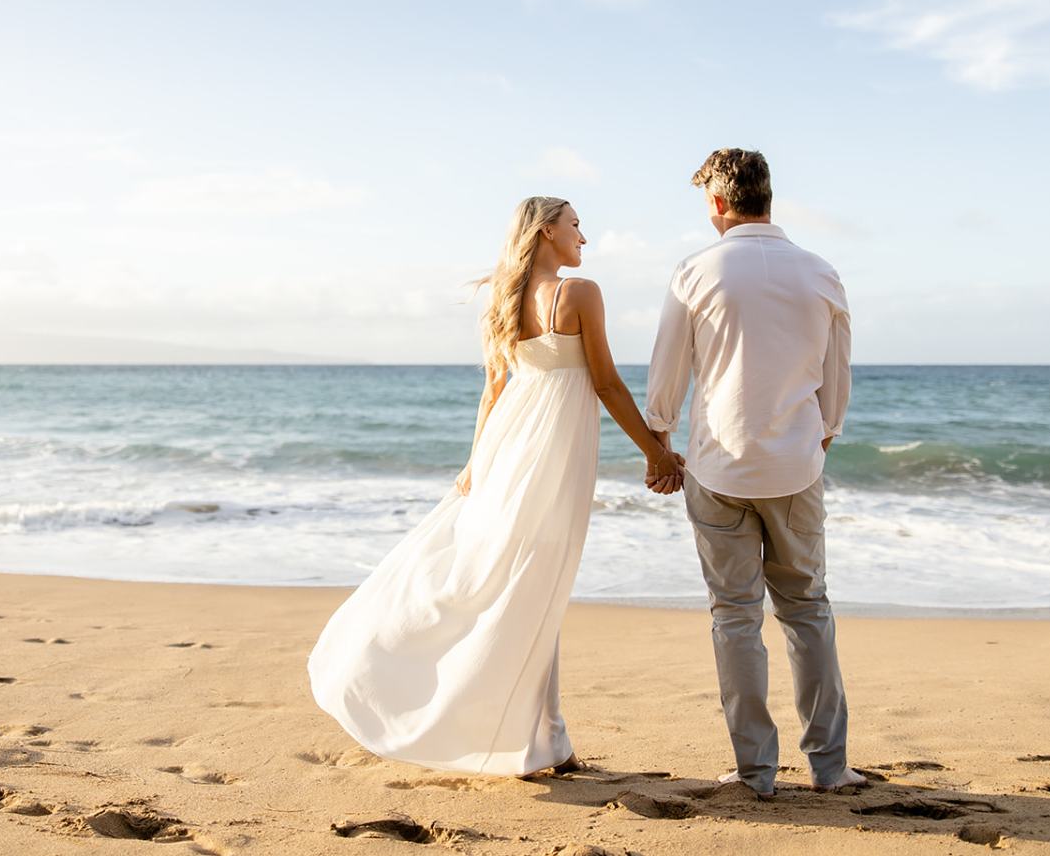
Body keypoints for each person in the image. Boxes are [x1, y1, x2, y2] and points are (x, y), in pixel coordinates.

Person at [309, 196, 683, 776]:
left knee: (517, 580)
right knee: (538, 582)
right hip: (551, 454)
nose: (585, 237)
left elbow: (493, 390)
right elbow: (606, 383)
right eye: (576, 226)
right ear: (546, 232)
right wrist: (656, 451)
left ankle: (545, 737)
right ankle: (538, 738)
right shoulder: (578, 294)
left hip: (511, 446)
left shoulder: (502, 299)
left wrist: (476, 460)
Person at [644, 148, 862, 799]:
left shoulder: (695, 270)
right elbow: (837, 377)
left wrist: (658, 440)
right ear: (768, 195)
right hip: (796, 466)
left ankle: (756, 773)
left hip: (718, 469)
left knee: (734, 617)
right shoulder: (821, 272)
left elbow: (666, 376)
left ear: (716, 202)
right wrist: (821, 436)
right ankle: (829, 767)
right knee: (806, 612)